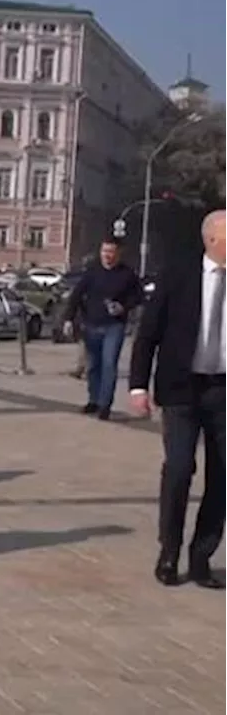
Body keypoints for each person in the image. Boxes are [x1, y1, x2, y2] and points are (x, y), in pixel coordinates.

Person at [130, 211, 227, 589]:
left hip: (224, 390)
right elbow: (148, 333)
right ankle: (168, 551)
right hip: (181, 388)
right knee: (179, 468)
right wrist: (138, 386)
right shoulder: (179, 274)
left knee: (223, 475)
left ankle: (201, 557)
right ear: (213, 240)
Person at [63, 237, 144, 420]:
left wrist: (123, 306)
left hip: (114, 326)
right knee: (93, 366)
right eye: (104, 251)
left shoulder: (127, 274)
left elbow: (138, 296)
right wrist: (68, 318)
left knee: (109, 365)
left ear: (118, 253)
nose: (107, 255)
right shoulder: (92, 272)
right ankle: (94, 400)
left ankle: (105, 404)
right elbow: (76, 295)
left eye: (110, 252)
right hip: (91, 324)